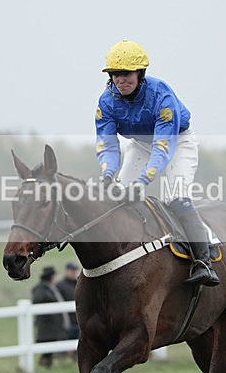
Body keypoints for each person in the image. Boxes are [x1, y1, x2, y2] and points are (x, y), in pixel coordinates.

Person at [94, 39, 219, 287]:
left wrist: (143, 181)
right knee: (116, 196)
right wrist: (108, 174)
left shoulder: (161, 94)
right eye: (116, 75)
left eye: (127, 74)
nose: (121, 80)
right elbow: (108, 145)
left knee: (177, 199)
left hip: (176, 143)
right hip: (140, 145)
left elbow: (162, 148)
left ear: (140, 74)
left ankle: (203, 261)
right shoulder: (105, 103)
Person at [30, 266, 70, 368]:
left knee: (50, 349)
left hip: (51, 326)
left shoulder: (49, 287)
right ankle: (45, 365)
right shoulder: (42, 289)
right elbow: (38, 300)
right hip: (47, 326)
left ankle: (46, 365)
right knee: (47, 349)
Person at [56, 262, 80, 341]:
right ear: (66, 271)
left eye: (74, 270)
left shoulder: (78, 283)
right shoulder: (60, 285)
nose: (73, 272)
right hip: (67, 320)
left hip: (78, 319)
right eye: (71, 270)